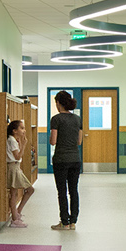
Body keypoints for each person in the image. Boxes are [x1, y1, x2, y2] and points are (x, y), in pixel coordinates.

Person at [49, 91, 84, 230]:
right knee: (73, 190)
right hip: (75, 159)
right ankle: (73, 222)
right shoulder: (77, 119)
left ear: (58, 103)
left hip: (61, 159)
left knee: (62, 191)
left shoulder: (56, 119)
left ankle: (64, 222)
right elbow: (79, 141)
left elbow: (53, 141)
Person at [5, 119, 34, 228]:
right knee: (17, 192)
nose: (24, 130)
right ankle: (15, 218)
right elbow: (18, 156)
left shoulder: (12, 140)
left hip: (15, 167)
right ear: (14, 131)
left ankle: (16, 213)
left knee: (16, 193)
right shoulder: (12, 140)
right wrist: (24, 144)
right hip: (13, 167)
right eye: (21, 128)